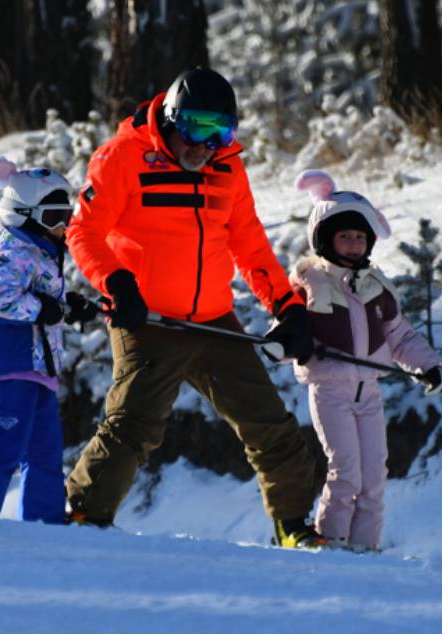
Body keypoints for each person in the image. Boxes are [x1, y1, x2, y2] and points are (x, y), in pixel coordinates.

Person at [63, 67, 326, 548]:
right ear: (169, 120)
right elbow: (83, 231)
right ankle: (84, 519)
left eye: (220, 131)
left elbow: (249, 245)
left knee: (271, 426)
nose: (205, 144)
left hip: (212, 320)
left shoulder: (227, 166)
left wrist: (287, 308)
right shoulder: (122, 156)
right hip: (149, 318)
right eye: (195, 128)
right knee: (133, 425)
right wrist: (118, 284)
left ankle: (294, 528)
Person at [285, 169, 442, 552]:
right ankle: (333, 541)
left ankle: (366, 549)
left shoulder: (377, 287)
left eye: (361, 237)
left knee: (374, 478)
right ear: (324, 238)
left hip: (369, 393)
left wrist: (428, 365)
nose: (354, 244)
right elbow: (285, 330)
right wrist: (291, 344)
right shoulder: (311, 283)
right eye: (345, 236)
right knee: (346, 474)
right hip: (331, 390)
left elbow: (400, 336)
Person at [0, 156, 99, 523]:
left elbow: (41, 298)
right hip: (11, 366)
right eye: (54, 218)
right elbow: (3, 301)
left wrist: (69, 306)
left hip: (39, 368)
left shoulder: (40, 251)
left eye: (67, 216)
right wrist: (47, 309)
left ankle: (44, 522)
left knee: (45, 453)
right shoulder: (10, 251)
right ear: (24, 214)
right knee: (1, 450)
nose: (63, 226)